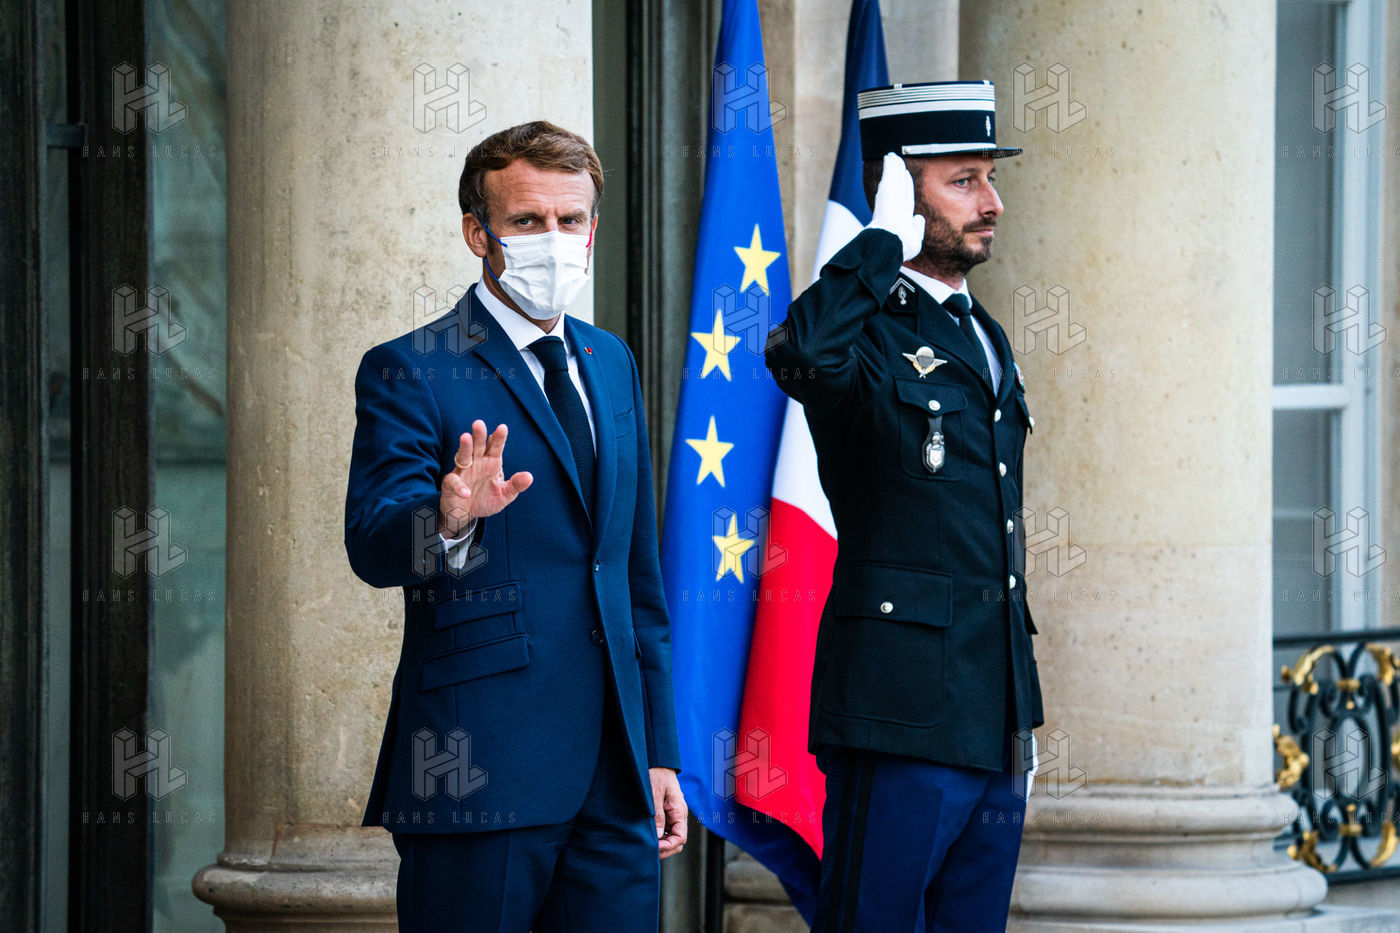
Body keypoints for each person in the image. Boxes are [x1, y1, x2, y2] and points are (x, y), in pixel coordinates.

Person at [344, 120, 686, 933]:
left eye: (571, 219)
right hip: (476, 766)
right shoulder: (412, 366)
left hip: (616, 777)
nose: (554, 239)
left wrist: (658, 750)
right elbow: (373, 544)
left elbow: (633, 575)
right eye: (528, 221)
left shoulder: (611, 361)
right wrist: (448, 518)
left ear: (593, 228)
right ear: (478, 233)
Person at [764, 81, 1043, 930]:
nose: (991, 203)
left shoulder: (978, 329)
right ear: (897, 189)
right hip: (898, 710)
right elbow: (802, 353)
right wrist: (878, 241)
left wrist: (1018, 722)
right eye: (963, 180)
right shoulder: (862, 330)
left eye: (990, 177)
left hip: (993, 711)